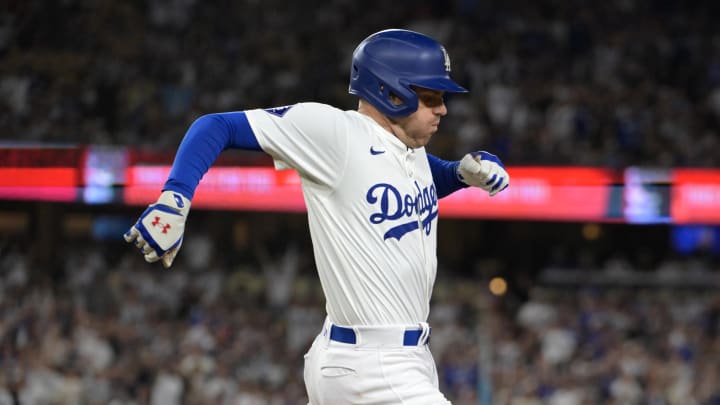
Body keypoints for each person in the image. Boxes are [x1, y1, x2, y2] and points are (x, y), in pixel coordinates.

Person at [124, 28, 509, 404]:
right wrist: (174, 198)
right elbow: (215, 126)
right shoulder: (334, 133)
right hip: (370, 368)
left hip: (393, 358)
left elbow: (418, 179)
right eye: (431, 97)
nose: (443, 108)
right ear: (391, 93)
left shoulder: (407, 147)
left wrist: (459, 173)